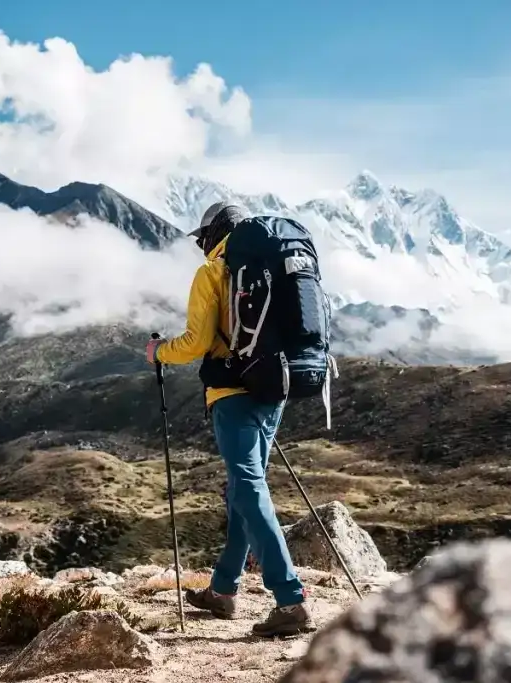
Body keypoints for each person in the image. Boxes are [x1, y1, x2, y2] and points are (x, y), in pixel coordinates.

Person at [145, 201, 314, 638]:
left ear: (212, 234)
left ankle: (290, 599)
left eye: (201, 238)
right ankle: (223, 591)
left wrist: (159, 351)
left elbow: (196, 342)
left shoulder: (214, 272)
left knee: (247, 489)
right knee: (243, 490)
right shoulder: (273, 264)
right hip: (275, 387)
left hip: (233, 392)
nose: (201, 246)